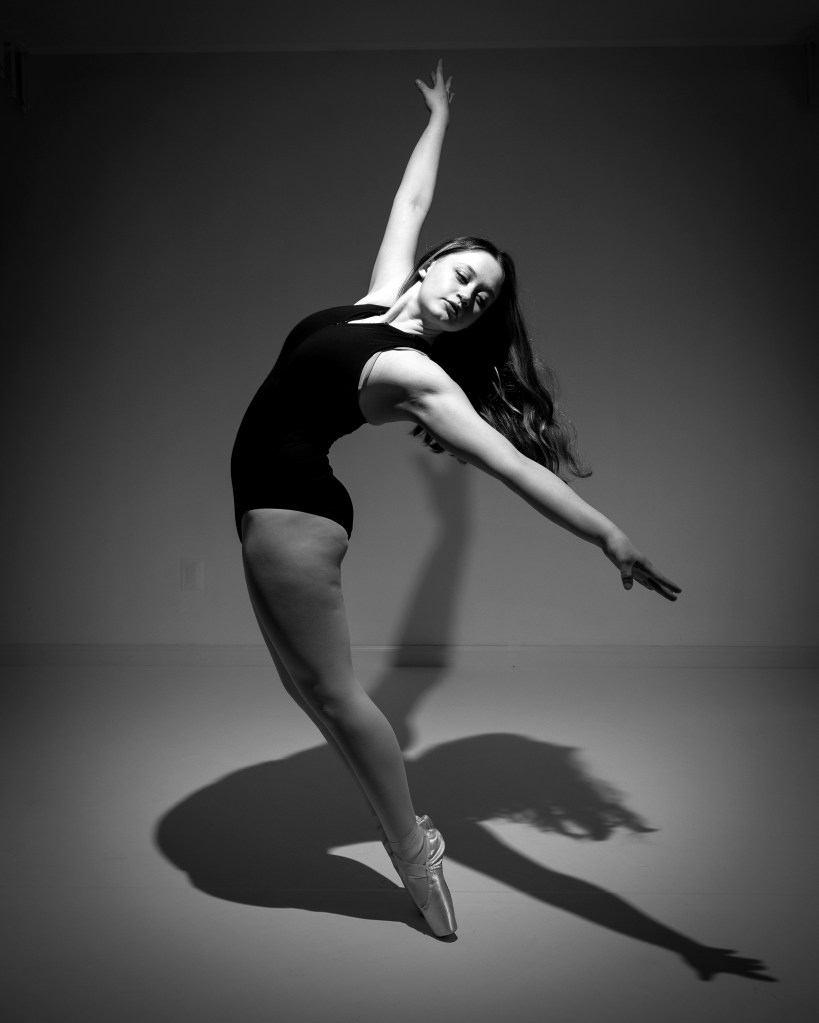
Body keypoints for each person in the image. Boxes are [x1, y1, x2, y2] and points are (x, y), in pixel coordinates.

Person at [230, 60, 682, 938]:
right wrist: (437, 118)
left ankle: (413, 851)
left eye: (479, 301)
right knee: (308, 689)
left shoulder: (414, 374)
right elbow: (408, 205)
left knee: (333, 697)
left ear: (472, 323)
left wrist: (608, 535)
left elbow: (518, 469)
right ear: (436, 265)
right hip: (265, 501)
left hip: (293, 511)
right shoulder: (369, 305)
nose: (465, 295)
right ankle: (399, 829)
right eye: (462, 275)